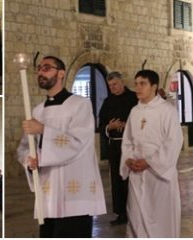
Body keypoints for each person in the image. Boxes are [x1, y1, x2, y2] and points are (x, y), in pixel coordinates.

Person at [18, 56, 106, 237]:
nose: (41, 71)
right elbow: (25, 146)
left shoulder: (80, 104)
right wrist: (30, 160)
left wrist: (43, 129)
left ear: (61, 74)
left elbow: (78, 142)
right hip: (48, 192)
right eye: (39, 68)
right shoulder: (37, 110)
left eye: (47, 68)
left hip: (74, 192)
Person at [120, 69, 183, 237]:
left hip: (159, 175)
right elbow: (127, 140)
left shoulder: (167, 110)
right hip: (136, 173)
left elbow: (173, 142)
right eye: (136, 84)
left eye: (143, 84)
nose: (138, 88)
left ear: (154, 86)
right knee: (135, 216)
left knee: (160, 218)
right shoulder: (135, 111)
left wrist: (149, 162)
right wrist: (128, 160)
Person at [97, 71, 138, 225]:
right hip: (114, 145)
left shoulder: (134, 98)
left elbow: (143, 121)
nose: (112, 87)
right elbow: (100, 126)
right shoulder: (107, 102)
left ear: (122, 81)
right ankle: (121, 213)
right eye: (110, 85)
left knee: (132, 178)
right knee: (117, 179)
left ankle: (135, 211)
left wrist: (127, 126)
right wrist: (110, 126)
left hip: (132, 146)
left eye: (115, 84)